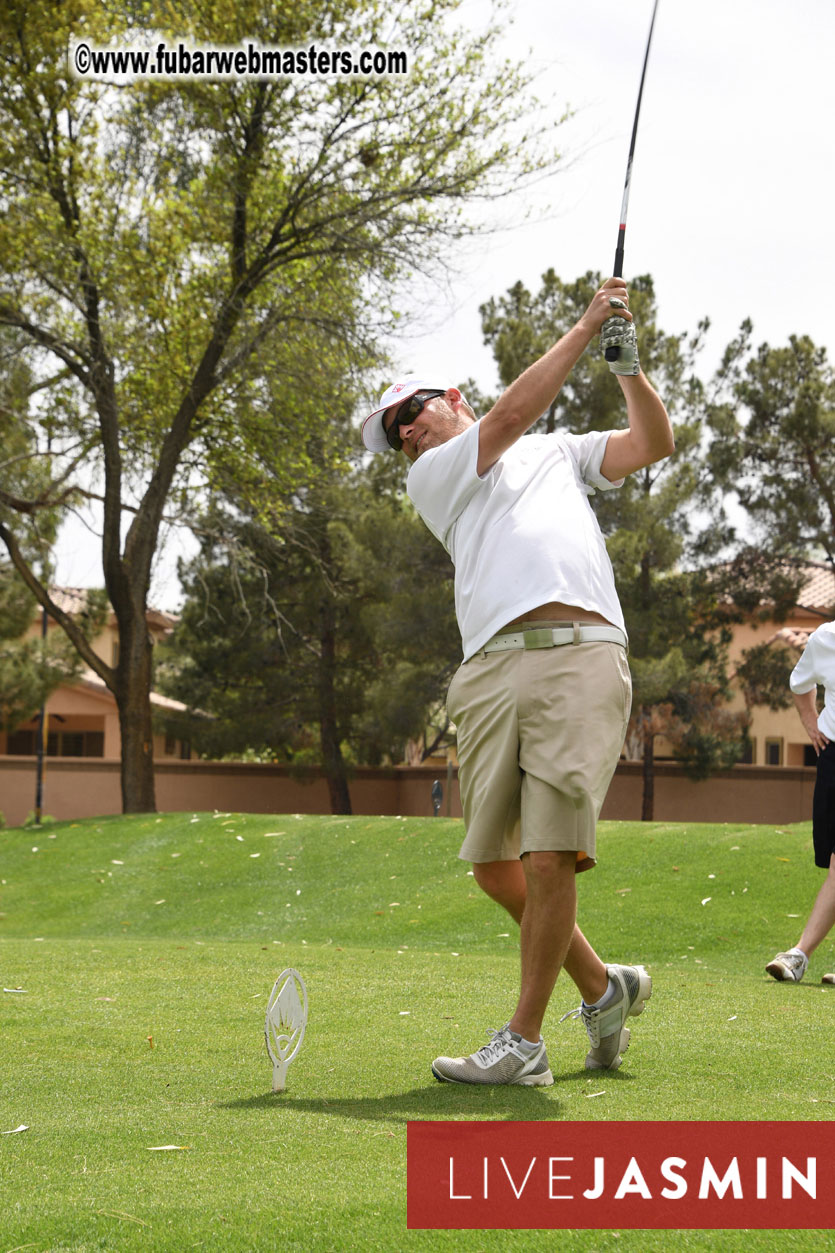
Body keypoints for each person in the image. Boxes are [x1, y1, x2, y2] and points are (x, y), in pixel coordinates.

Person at [360, 278, 674, 1085]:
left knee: (547, 855)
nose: (404, 434)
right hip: (489, 669)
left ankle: (524, 1041)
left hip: (578, 652)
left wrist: (625, 364)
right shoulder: (432, 476)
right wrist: (582, 326)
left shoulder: (558, 453)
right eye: (395, 432)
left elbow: (650, 445)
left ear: (447, 397)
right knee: (494, 865)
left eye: (410, 413)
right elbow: (506, 418)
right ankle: (604, 989)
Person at [766, 620, 835, 986]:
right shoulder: (826, 638)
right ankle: (800, 955)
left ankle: (800, 954)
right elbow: (800, 684)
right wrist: (811, 722)